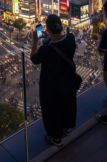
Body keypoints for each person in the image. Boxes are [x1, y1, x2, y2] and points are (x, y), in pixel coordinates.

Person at [30, 14, 78, 147]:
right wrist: (50, 37)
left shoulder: (45, 50)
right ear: (61, 27)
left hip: (52, 86)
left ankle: (56, 138)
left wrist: (35, 40)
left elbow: (34, 58)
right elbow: (60, 42)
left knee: (53, 110)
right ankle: (67, 128)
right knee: (68, 103)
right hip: (68, 80)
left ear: (49, 30)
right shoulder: (70, 39)